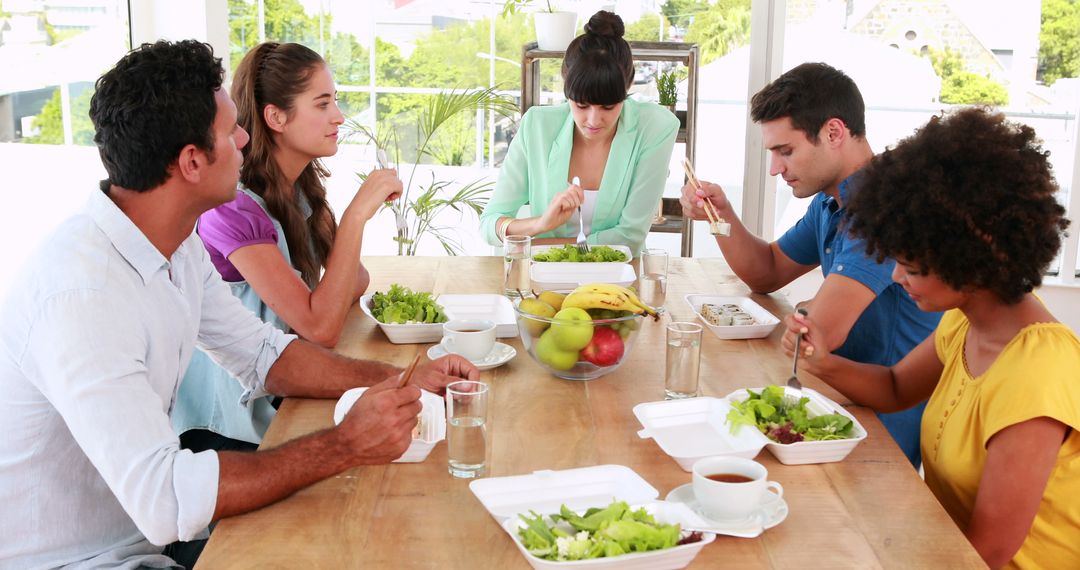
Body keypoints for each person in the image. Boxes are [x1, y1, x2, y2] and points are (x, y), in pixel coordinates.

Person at [0, 40, 477, 569]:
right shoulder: (82, 296)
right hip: (86, 560)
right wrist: (344, 443)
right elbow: (167, 499)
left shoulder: (174, 244)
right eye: (231, 131)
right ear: (191, 162)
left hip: (147, 537)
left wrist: (398, 380)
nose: (247, 138)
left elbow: (267, 355)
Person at [784, 107, 1078, 569]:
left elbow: (986, 552)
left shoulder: (1037, 372)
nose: (897, 276)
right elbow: (897, 387)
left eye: (915, 267)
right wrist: (822, 361)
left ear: (975, 254)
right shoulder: (966, 321)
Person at [680, 62, 940, 467]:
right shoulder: (831, 200)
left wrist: (804, 314)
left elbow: (820, 334)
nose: (775, 168)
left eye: (786, 151)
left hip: (876, 436)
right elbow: (767, 271)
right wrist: (722, 216)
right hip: (836, 404)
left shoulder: (882, 209)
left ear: (834, 132)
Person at [172, 42, 402, 453]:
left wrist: (311, 310)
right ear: (276, 116)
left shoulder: (299, 187)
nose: (339, 116)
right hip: (229, 426)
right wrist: (355, 217)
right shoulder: (233, 208)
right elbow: (322, 327)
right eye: (322, 104)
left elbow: (355, 280)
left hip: (283, 387)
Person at [479, 10, 679, 256]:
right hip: (540, 277)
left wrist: (539, 247)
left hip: (614, 281)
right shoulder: (538, 126)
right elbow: (490, 224)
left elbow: (629, 238)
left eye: (609, 106)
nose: (593, 120)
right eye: (581, 105)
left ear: (627, 88)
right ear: (566, 89)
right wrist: (540, 224)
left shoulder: (656, 128)